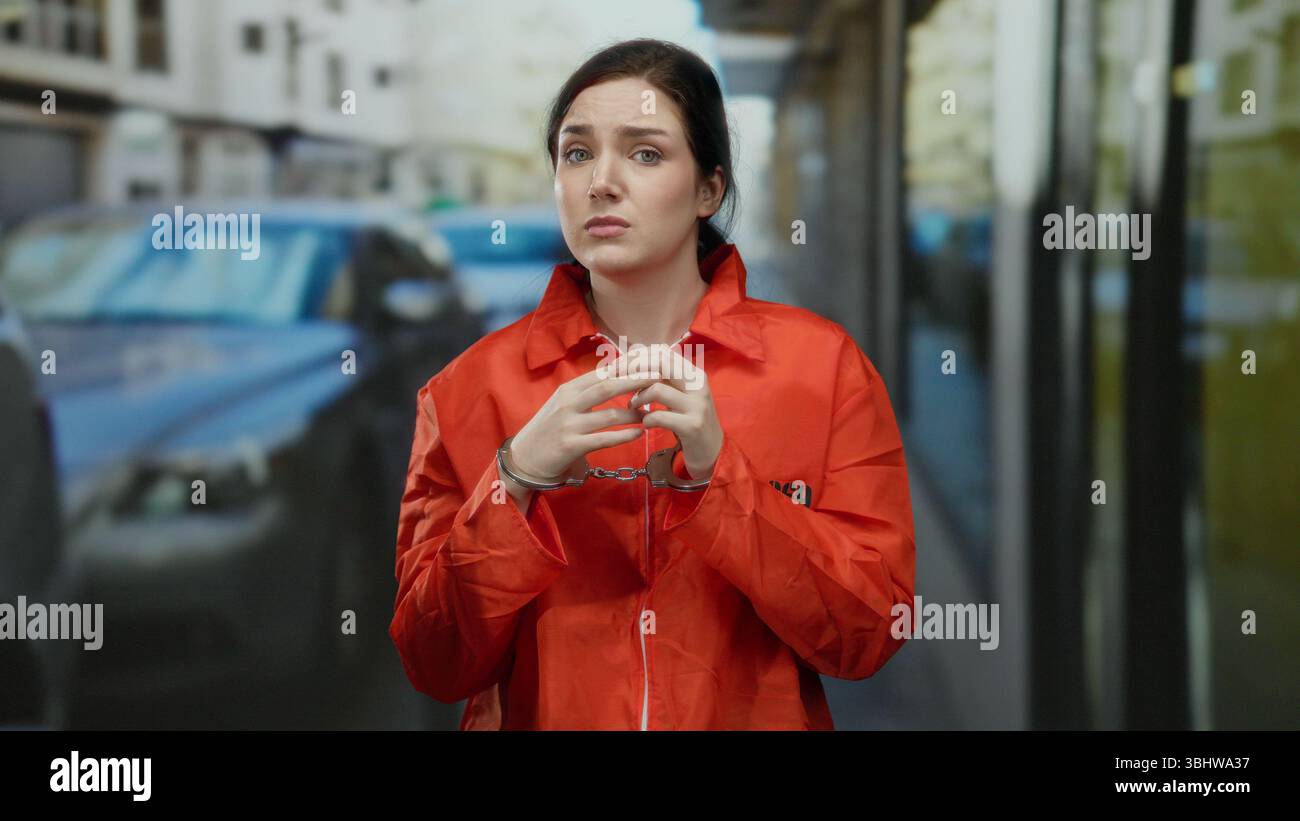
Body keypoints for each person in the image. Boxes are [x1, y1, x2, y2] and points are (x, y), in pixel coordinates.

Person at [389, 38, 916, 730]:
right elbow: (435, 662)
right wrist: (512, 481)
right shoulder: (468, 389)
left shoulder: (823, 370)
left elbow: (869, 631)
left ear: (709, 189)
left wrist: (722, 485)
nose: (600, 181)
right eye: (577, 153)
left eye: (645, 152)